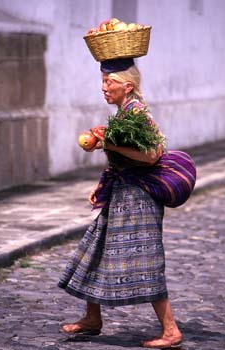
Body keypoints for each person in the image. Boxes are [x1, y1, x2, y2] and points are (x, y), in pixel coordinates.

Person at [58, 58, 183, 349]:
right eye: (103, 81)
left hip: (139, 201)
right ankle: (92, 318)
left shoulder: (138, 114)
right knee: (96, 250)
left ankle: (171, 331)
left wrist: (108, 144)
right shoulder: (123, 114)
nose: (103, 87)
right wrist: (101, 183)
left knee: (146, 263)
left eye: (109, 82)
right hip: (121, 195)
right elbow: (124, 159)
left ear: (127, 86)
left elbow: (152, 155)